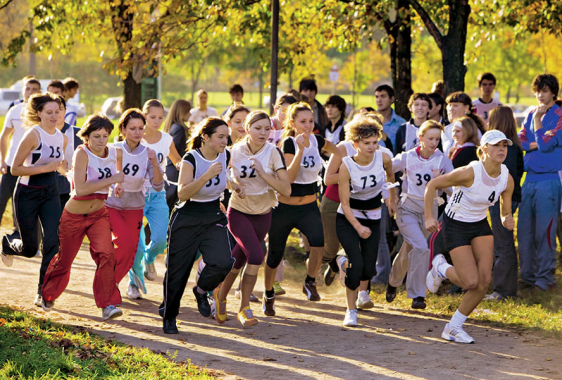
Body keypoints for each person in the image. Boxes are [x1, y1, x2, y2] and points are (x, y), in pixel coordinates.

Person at [425, 130, 514, 343]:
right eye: (496, 145)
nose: (502, 149)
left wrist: (506, 219)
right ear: (484, 150)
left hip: (479, 225)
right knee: (470, 281)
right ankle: (440, 267)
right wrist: (429, 217)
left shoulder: (506, 177)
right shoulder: (469, 172)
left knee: (484, 281)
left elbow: (505, 208)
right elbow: (433, 185)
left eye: (505, 145)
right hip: (455, 225)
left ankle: (453, 327)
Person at [159, 117, 241, 334]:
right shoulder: (191, 159)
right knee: (178, 271)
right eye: (220, 137)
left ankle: (201, 289)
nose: (225, 141)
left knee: (223, 262)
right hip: (188, 215)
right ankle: (169, 316)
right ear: (206, 137)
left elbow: (222, 179)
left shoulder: (227, 154)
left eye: (227, 137)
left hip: (213, 213)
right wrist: (206, 175)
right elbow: (183, 193)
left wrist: (233, 186)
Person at [41, 114, 125, 320]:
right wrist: (113, 178)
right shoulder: (82, 153)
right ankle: (47, 294)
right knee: (65, 260)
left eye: (105, 136)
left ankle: (108, 305)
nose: (101, 140)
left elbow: (120, 167)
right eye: (96, 136)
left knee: (107, 254)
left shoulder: (114, 151)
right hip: (74, 216)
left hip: (98, 214)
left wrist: (119, 183)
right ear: (87, 136)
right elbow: (80, 189)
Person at [214, 111, 291, 326]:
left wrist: (265, 174)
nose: (263, 133)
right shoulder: (234, 151)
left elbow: (286, 189)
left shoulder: (273, 152)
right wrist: (233, 185)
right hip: (239, 213)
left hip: (263, 215)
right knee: (256, 256)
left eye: (267, 129)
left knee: (237, 261)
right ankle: (244, 308)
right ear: (247, 129)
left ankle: (219, 297)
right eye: (258, 128)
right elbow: (222, 175)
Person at [263, 102, 340, 306]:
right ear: (292, 123)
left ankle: (310, 281)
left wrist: (348, 164)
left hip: (308, 206)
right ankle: (268, 292)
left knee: (318, 244)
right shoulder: (289, 143)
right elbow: (288, 178)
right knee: (274, 255)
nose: (307, 126)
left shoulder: (317, 140)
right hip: (284, 208)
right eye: (303, 121)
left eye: (311, 121)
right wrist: (300, 151)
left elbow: (340, 152)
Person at [0, 93, 68, 308]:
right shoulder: (32, 135)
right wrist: (44, 168)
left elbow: (63, 166)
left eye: (57, 111)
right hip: (27, 193)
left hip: (50, 193)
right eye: (49, 112)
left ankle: (43, 293)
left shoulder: (62, 137)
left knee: (53, 242)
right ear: (39, 113)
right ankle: (7, 244)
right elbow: (16, 168)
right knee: (30, 249)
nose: (54, 116)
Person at [323, 112, 395, 310]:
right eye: (367, 143)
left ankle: (347, 268)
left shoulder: (383, 157)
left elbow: (389, 177)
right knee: (357, 262)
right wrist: (358, 225)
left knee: (368, 266)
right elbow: (340, 198)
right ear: (355, 143)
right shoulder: (346, 159)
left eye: (375, 142)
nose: (372, 146)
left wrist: (391, 198)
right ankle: (351, 309)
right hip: (348, 212)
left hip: (373, 213)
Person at [386, 120, 453, 309]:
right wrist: (391, 195)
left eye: (437, 139)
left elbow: (452, 188)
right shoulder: (407, 157)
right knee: (422, 247)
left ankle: (393, 281)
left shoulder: (442, 160)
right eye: (430, 138)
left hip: (429, 210)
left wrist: (441, 181)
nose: (434, 143)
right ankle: (418, 295)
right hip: (407, 208)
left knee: (410, 248)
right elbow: (386, 169)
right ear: (420, 138)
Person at [127, 100, 182, 299]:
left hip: (158, 195)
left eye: (161, 117)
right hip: (134, 196)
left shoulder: (166, 139)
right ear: (144, 116)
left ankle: (150, 259)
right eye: (152, 117)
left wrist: (184, 166)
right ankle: (133, 283)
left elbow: (177, 160)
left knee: (159, 240)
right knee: (137, 244)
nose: (157, 121)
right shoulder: (135, 137)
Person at [105, 109, 164, 288]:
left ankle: (113, 281)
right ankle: (110, 284)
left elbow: (158, 186)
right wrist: (115, 183)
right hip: (113, 204)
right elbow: (104, 175)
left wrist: (154, 163)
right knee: (122, 244)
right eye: (132, 128)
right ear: (122, 129)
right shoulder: (113, 150)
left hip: (135, 206)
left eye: (140, 128)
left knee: (132, 249)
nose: (137, 132)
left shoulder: (148, 153)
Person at [518, 74, 562, 292]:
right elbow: (520, 142)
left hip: (549, 180)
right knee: (524, 230)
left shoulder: (559, 115)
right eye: (538, 90)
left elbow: (544, 145)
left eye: (545, 91)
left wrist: (537, 125)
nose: (540, 95)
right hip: (529, 180)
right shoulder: (529, 113)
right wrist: (534, 139)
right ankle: (527, 277)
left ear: (553, 92)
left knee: (544, 232)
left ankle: (544, 279)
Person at [485, 106, 524, 301]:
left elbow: (502, 176)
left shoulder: (504, 148)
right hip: (509, 197)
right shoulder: (514, 146)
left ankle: (503, 291)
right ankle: (503, 288)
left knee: (503, 244)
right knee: (503, 242)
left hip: (501, 199)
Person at [0, 77, 41, 227]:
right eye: (27, 89)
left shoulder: (43, 112)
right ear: (23, 90)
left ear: (39, 91)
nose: (30, 92)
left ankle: (25, 241)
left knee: (25, 206)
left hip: (33, 167)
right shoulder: (14, 110)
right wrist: (2, 161)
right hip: (11, 164)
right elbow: (4, 136)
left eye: (34, 89)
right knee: (2, 200)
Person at [162, 99, 192, 211]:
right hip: (176, 171)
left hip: (170, 170)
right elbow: (178, 151)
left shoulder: (172, 127)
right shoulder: (179, 129)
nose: (190, 114)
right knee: (170, 210)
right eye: (188, 111)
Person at [54, 96, 82, 210]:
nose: (55, 114)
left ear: (65, 110)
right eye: (51, 111)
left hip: (70, 189)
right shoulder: (37, 133)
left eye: (59, 109)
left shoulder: (77, 133)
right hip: (46, 189)